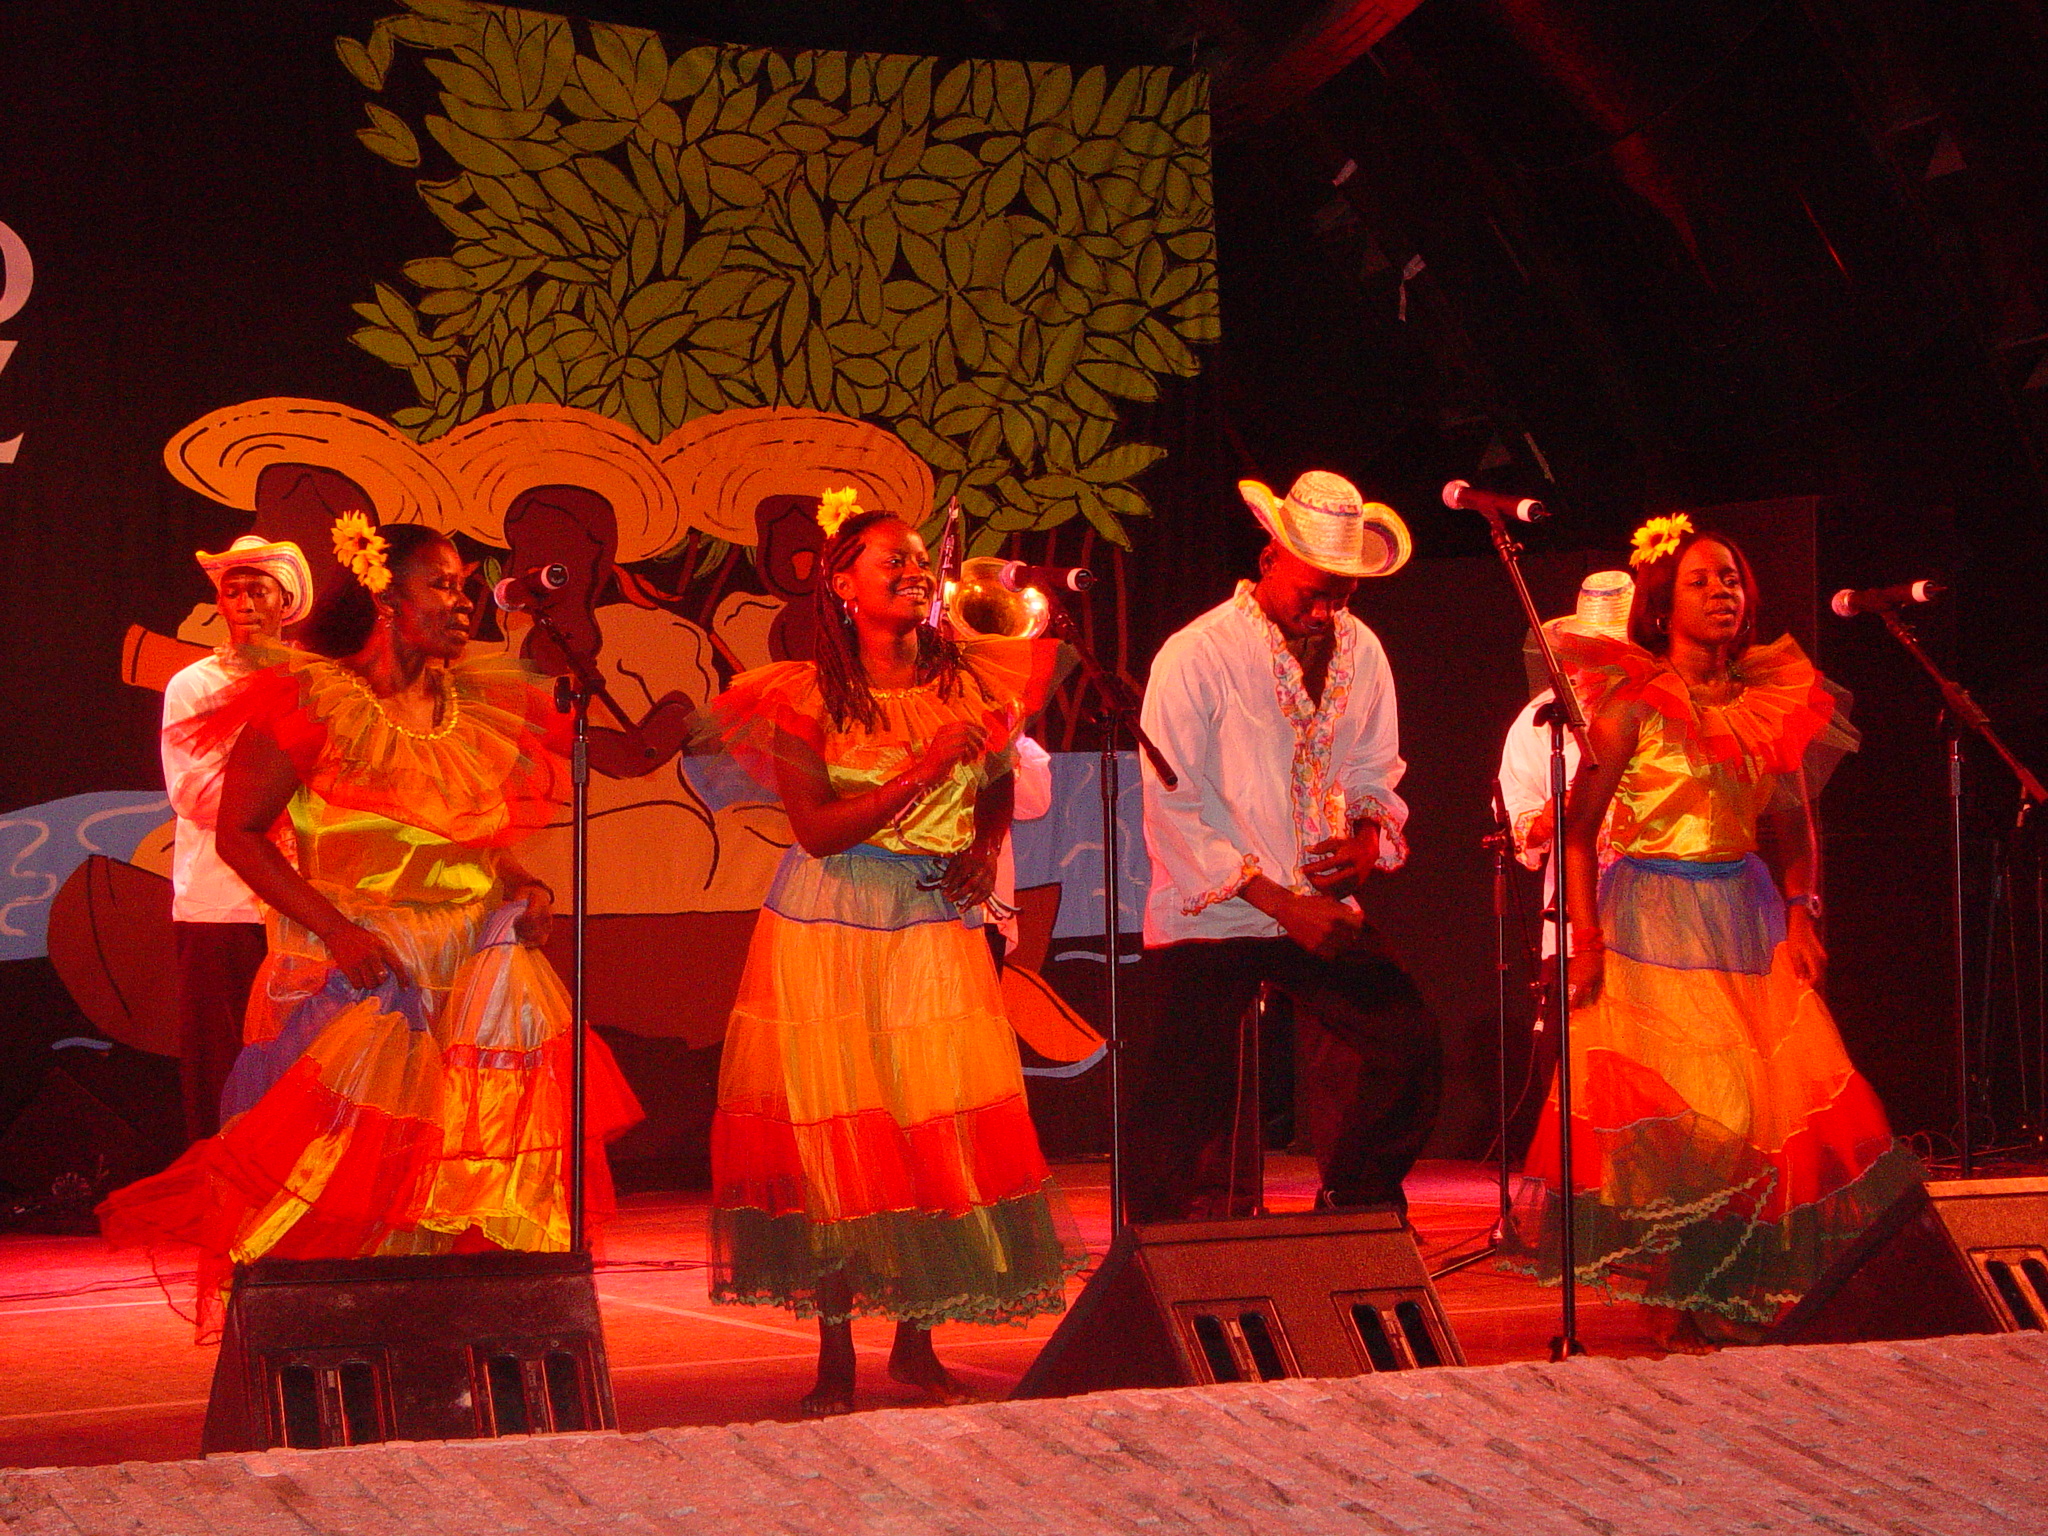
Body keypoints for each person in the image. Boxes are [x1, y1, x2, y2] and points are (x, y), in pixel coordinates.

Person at [100, 516, 642, 1339]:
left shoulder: (474, 704)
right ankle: (344, 1343)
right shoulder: (314, 698)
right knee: (357, 1172)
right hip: (366, 966)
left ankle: (459, 1344)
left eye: (464, 587)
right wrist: (337, 931)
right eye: (442, 585)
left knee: (465, 1169)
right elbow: (239, 833)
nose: (462, 603)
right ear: (387, 601)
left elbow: (468, 838)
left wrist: (526, 885)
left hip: (474, 969)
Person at [700, 492, 1080, 1417]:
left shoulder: (967, 682)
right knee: (838, 1132)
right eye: (891, 561)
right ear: (843, 586)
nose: (914, 573)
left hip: (931, 922)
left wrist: (984, 847)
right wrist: (921, 769)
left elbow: (997, 782)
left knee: (930, 1122)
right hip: (828, 925)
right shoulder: (804, 695)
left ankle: (918, 1342)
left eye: (918, 561)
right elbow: (818, 830)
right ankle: (834, 1360)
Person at [1502, 515, 1920, 1345]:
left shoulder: (1768, 700)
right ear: (1662, 608)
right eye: (1700, 581)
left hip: (1744, 917)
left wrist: (1801, 910)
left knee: (1763, 1111)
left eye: (1730, 578)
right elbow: (1578, 835)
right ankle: (1684, 1293)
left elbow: (1794, 823)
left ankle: (1720, 1291)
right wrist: (1587, 944)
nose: (1721, 591)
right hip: (1650, 922)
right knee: (1696, 1116)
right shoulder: (1632, 704)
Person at [1131, 470, 1443, 1222]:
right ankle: (1164, 1244)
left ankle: (1355, 1205)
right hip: (1216, 910)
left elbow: (1374, 765)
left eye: (1342, 593)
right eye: (1313, 591)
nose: (1325, 609)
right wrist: (1278, 904)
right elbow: (1173, 804)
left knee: (1407, 1044)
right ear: (1269, 558)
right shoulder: (1197, 652)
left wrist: (1367, 838)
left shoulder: (1362, 649)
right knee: (1184, 1102)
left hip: (1317, 901)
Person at [161, 535, 312, 1142]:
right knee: (220, 1062)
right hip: (220, 905)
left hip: (305, 906)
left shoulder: (315, 683)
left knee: (303, 1061)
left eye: (259, 590)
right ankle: (216, 1178)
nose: (246, 602)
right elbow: (191, 792)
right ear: (220, 603)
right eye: (234, 591)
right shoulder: (193, 686)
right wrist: (280, 798)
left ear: (285, 602)